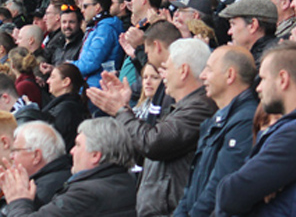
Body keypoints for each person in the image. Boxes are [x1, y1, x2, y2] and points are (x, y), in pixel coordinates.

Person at [215, 41, 296, 217]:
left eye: (263, 79)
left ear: (283, 79)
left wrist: (256, 189)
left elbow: (230, 195)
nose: (258, 88)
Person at [88, 38, 217, 217]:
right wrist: (124, 108)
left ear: (183, 71)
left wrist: (120, 111)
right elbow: (143, 146)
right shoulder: (180, 107)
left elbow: (153, 143)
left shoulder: (200, 108)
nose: (163, 75)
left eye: (167, 69)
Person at [174, 45, 259, 217]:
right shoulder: (218, 119)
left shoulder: (245, 121)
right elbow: (192, 186)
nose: (202, 75)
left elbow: (219, 186)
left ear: (230, 75)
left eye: (209, 70)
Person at [0, 118, 137, 217]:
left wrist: (18, 200)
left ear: (95, 156)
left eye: (78, 145)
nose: (71, 151)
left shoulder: (85, 193)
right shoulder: (128, 181)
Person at [7, 122, 72, 210]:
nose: (11, 157)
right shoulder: (58, 177)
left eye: (15, 150)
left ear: (36, 156)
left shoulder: (42, 191)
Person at [75, 0, 123, 90]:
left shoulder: (105, 29)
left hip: (97, 87)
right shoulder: (98, 26)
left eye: (85, 6)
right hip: (93, 85)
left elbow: (90, 63)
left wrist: (67, 67)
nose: (82, 10)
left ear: (97, 7)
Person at [42, 63, 89, 151]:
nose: (48, 81)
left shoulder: (66, 110)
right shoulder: (67, 105)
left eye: (52, 77)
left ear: (66, 82)